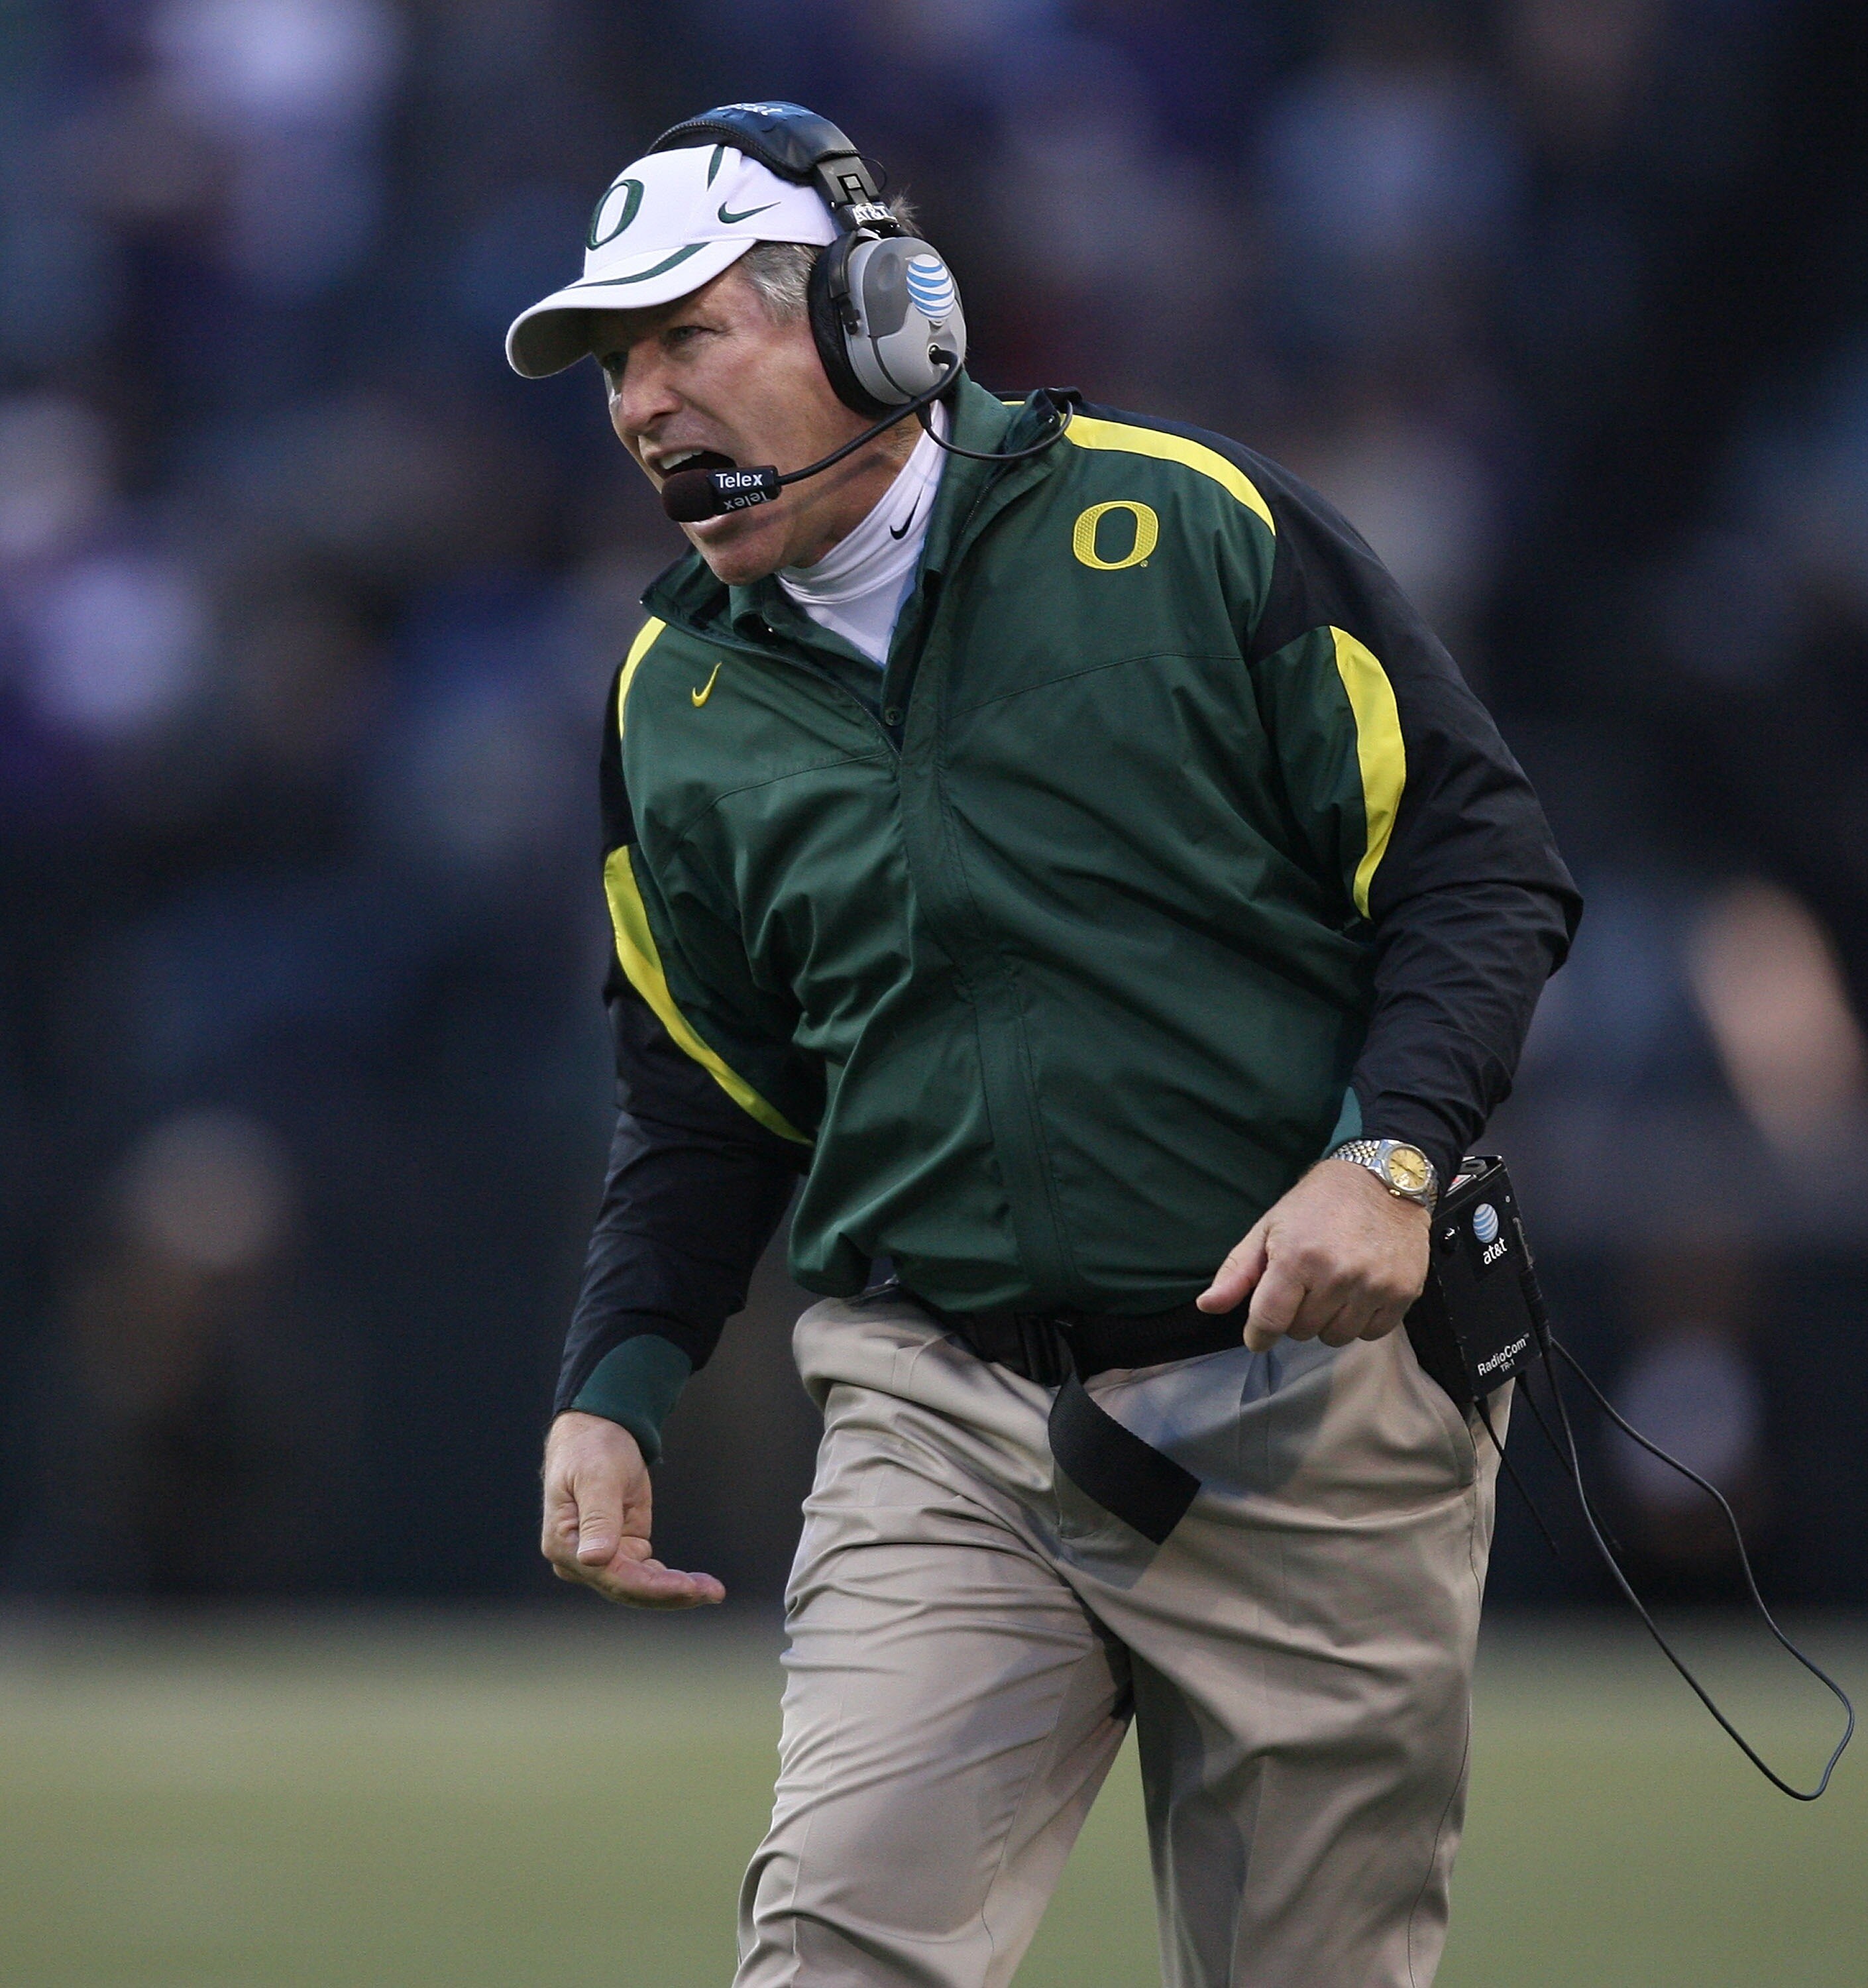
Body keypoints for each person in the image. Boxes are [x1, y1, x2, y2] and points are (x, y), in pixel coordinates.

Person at [508, 103, 1580, 1988]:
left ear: (877, 317)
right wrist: (619, 1376)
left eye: (683, 335)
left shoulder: (1182, 524)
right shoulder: (670, 694)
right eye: (613, 363)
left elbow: (1476, 868)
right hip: (942, 1416)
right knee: (831, 1956)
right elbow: (705, 1093)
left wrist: (1388, 1151)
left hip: (1309, 1415)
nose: (641, 403)